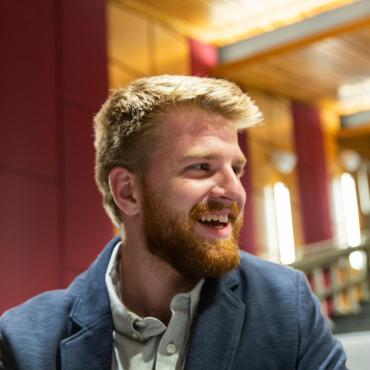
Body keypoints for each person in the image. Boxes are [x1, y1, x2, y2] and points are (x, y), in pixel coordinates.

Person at [0, 75, 347, 369]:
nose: (235, 191)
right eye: (201, 167)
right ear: (128, 192)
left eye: (236, 169)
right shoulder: (25, 341)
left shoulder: (287, 306)